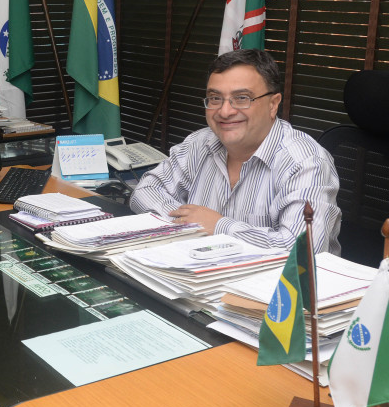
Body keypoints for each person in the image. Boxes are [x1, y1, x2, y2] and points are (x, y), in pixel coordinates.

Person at [130, 49, 341, 254]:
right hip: (201, 274)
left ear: (273, 104)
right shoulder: (200, 142)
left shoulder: (304, 161)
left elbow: (302, 251)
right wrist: (188, 221)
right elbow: (145, 190)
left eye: (242, 98)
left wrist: (219, 227)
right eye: (215, 98)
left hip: (276, 286)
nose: (225, 111)